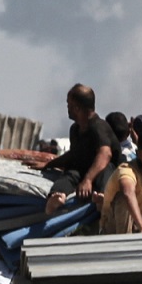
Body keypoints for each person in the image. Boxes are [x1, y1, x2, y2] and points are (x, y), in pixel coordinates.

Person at [45, 84, 117, 213]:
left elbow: (105, 154)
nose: (67, 108)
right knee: (71, 173)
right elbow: (74, 154)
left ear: (76, 108)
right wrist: (48, 164)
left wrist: (88, 180)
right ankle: (58, 195)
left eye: (69, 105)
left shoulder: (99, 127)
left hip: (104, 171)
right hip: (83, 170)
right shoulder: (75, 129)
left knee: (107, 169)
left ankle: (102, 197)